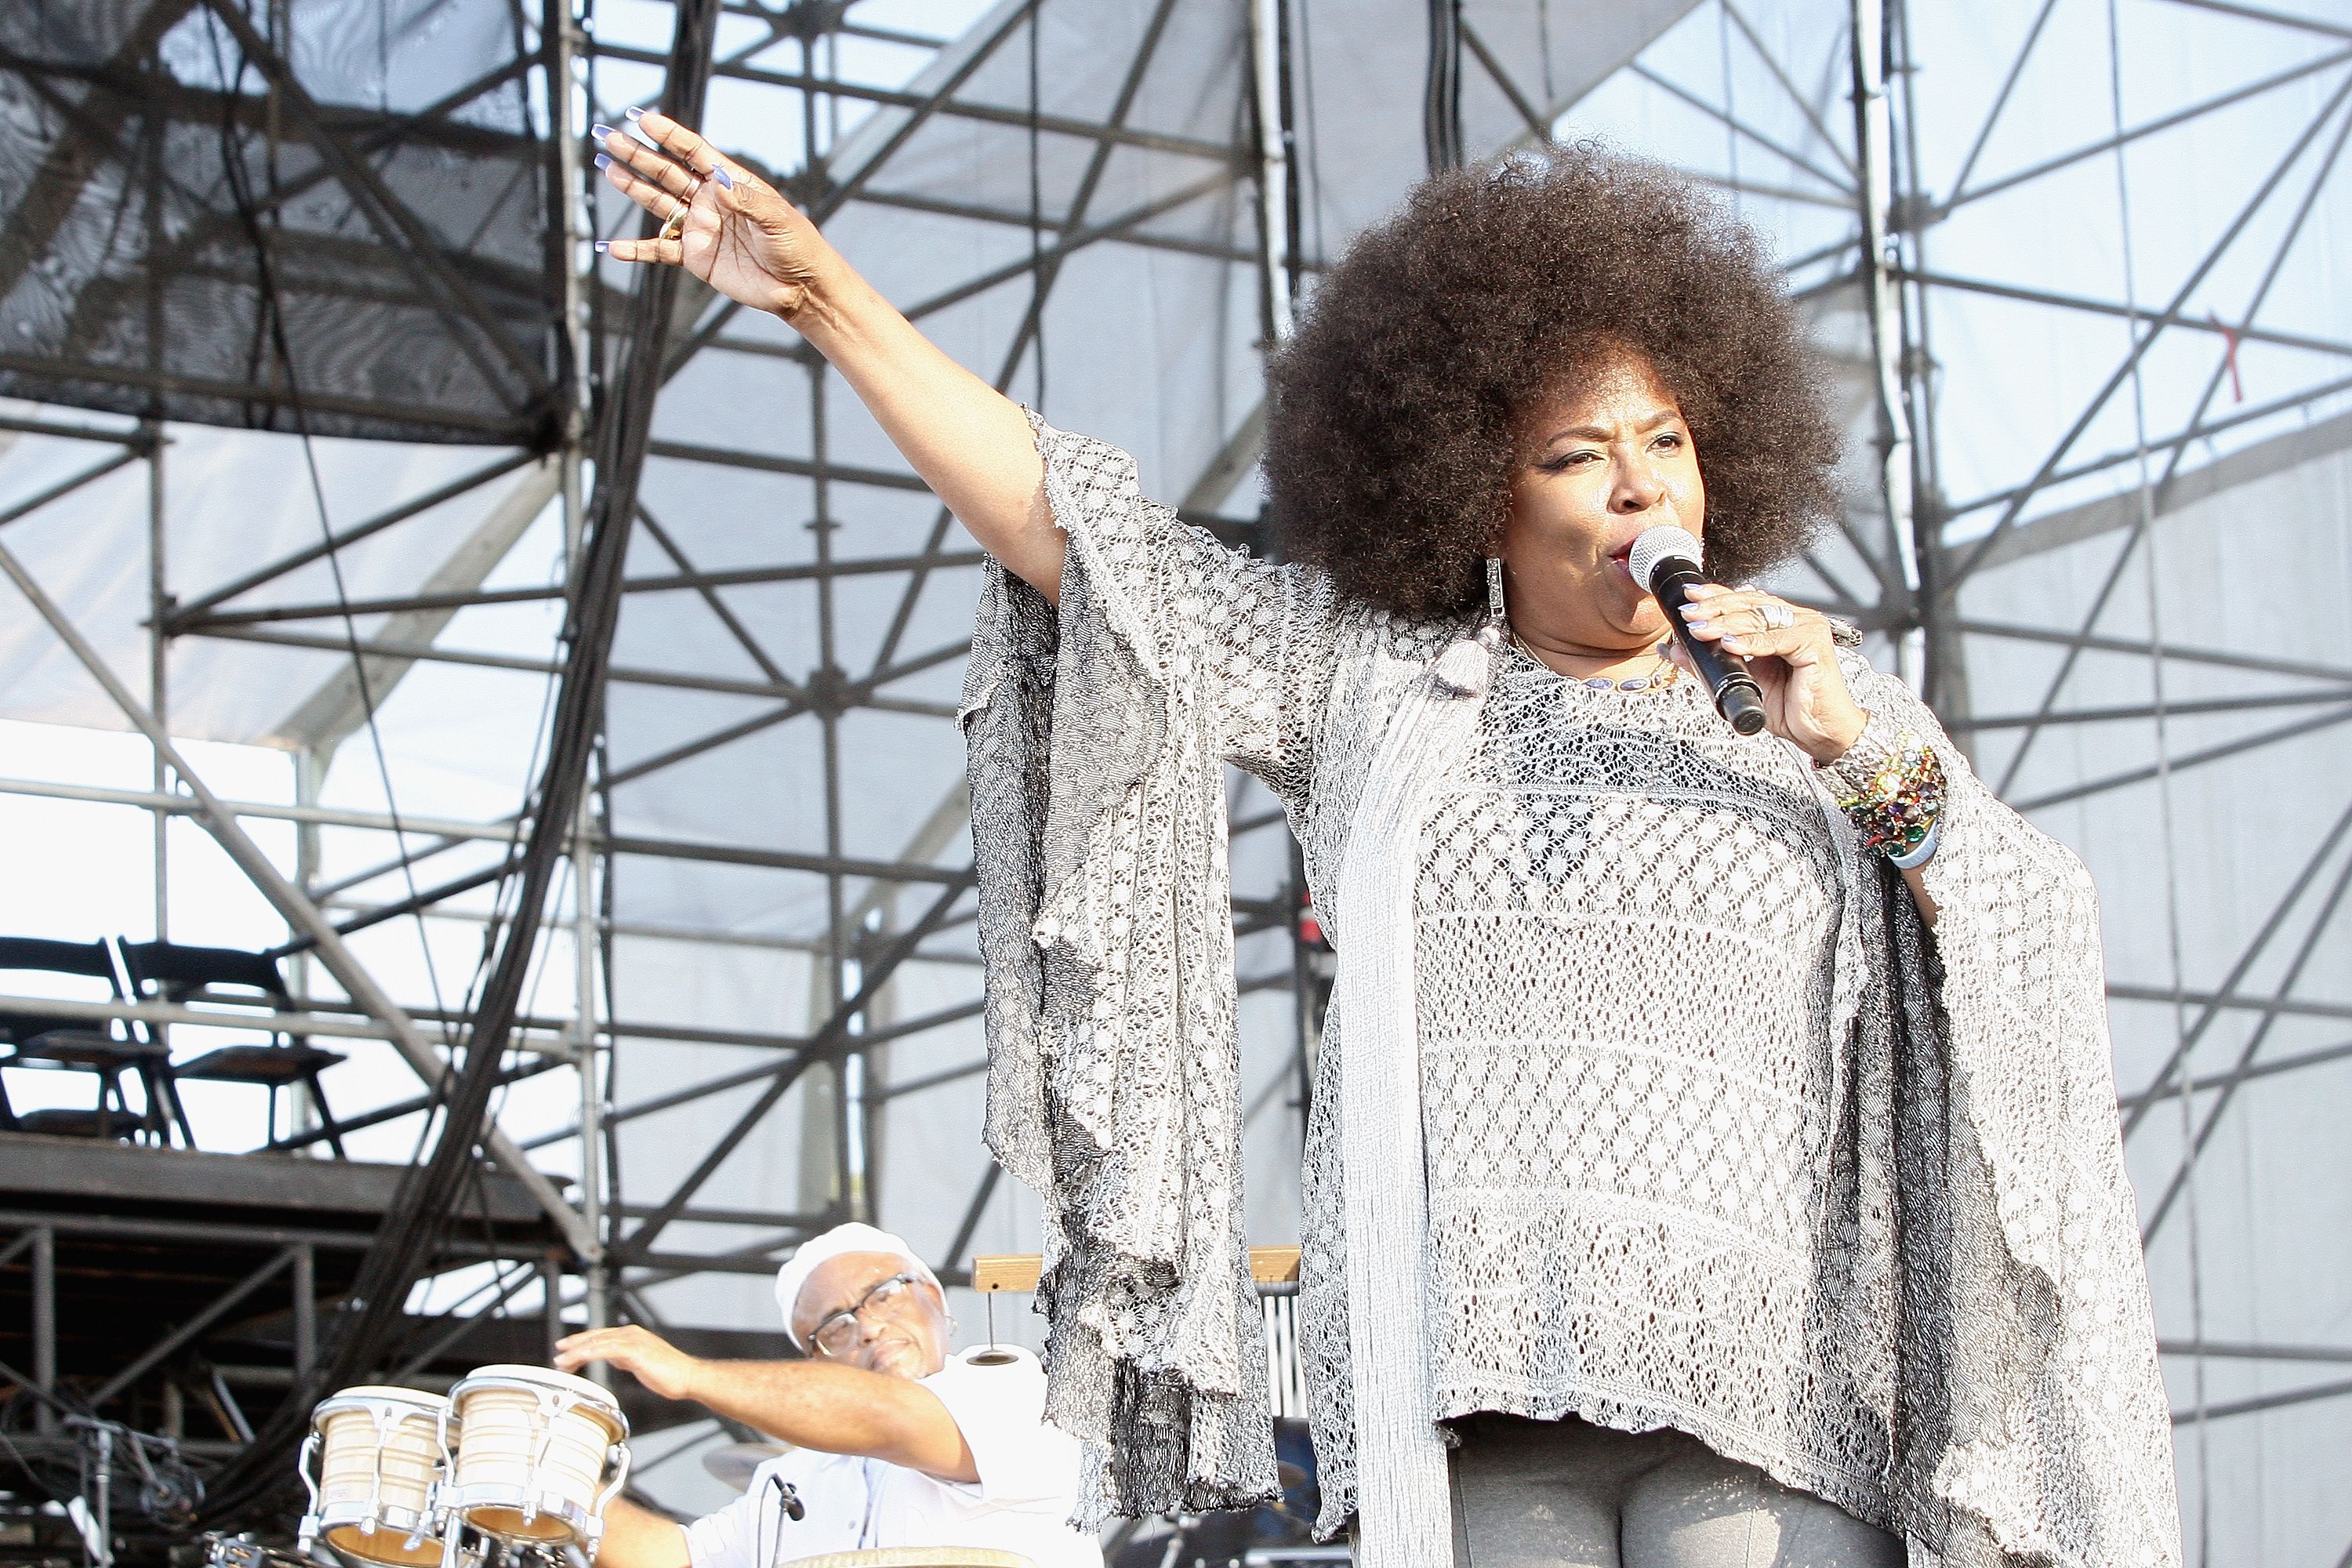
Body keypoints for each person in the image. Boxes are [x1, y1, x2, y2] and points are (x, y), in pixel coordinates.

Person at [589, 112, 2180, 1568]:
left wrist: (1862, 753)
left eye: (1666, 442)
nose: (1639, 488)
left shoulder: (1826, 704)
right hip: (1471, 1415)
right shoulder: (1374, 689)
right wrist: (824, 298)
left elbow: (2025, 926)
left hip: (1772, 1406)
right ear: (1476, 493)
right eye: (1577, 456)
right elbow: (1084, 538)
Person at [557, 1222, 1100, 1568]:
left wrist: (690, 1375)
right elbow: (676, 1559)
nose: (866, 1327)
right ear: (818, 1360)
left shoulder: (1014, 1389)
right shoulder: (790, 1481)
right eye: (835, 1327)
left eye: (884, 1295)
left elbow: (893, 1421)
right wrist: (552, 1478)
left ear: (933, 1294)